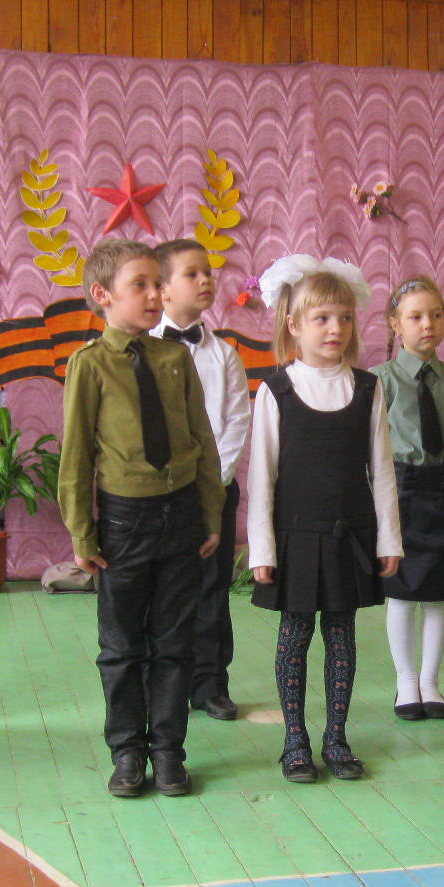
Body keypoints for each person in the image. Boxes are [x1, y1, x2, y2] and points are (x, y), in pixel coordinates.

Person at [59, 239, 223, 799]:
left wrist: (210, 512)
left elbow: (202, 439)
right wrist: (82, 532)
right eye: (141, 285)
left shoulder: (175, 359)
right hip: (124, 521)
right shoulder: (90, 365)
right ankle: (127, 751)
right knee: (122, 644)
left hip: (181, 514)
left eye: (158, 284)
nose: (156, 294)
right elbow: (77, 455)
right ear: (102, 295)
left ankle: (169, 752)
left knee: (175, 641)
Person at [247, 254, 402, 784]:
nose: (335, 328)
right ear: (294, 325)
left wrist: (389, 539)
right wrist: (263, 550)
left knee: (342, 637)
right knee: (294, 636)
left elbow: (383, 470)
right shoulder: (276, 391)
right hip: (295, 537)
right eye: (322, 318)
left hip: (348, 536)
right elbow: (262, 477)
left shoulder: (368, 388)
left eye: (345, 318)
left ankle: (336, 738)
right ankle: (295, 739)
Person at [373, 275, 444, 720]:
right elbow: (368, 452)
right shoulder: (379, 381)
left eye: (436, 315)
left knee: (439, 592)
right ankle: (405, 681)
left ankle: (430, 681)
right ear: (395, 324)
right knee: (401, 592)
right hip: (399, 491)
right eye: (416, 316)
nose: (427, 325)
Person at [154, 238, 251, 722]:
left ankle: (211, 684)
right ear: (163, 289)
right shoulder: (142, 349)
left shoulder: (225, 355)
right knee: (165, 590)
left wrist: (212, 483)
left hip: (213, 490)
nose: (205, 280)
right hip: (158, 492)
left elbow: (237, 421)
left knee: (212, 590)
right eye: (191, 273)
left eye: (208, 272)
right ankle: (164, 683)